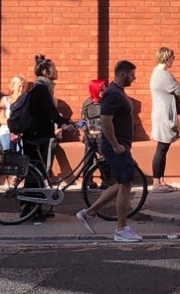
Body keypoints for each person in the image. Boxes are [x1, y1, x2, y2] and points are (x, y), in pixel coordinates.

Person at [75, 60, 143, 242]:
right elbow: (105, 121)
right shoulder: (113, 94)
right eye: (132, 74)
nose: (134, 77)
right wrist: (115, 145)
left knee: (122, 183)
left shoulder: (117, 93)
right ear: (123, 74)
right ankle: (121, 229)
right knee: (126, 184)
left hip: (121, 145)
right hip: (116, 146)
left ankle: (89, 212)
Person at [21, 54, 70, 222]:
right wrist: (63, 124)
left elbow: (50, 112)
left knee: (39, 173)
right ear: (44, 71)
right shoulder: (41, 88)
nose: (56, 71)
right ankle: (28, 210)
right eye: (53, 68)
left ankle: (37, 208)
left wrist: (67, 122)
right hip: (34, 137)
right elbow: (51, 111)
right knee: (34, 174)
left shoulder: (43, 88)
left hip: (37, 135)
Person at [149, 46, 180, 193]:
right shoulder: (164, 75)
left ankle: (160, 180)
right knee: (161, 149)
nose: (173, 60)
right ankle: (157, 182)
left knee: (163, 148)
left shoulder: (156, 74)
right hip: (164, 116)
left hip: (160, 114)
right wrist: (176, 82)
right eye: (172, 57)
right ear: (166, 58)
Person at [0, 74, 28, 152]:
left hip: (21, 133)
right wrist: (15, 124)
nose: (21, 89)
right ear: (13, 86)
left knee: (22, 151)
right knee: (8, 150)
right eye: (19, 86)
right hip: (7, 131)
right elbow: (1, 120)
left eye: (23, 87)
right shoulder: (5, 100)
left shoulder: (26, 101)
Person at [80, 78, 107, 162]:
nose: (104, 91)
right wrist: (87, 131)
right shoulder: (87, 104)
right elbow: (83, 120)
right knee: (88, 157)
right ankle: (87, 174)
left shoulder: (106, 102)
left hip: (103, 134)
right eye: (102, 89)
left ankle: (105, 174)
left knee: (105, 157)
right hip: (90, 135)